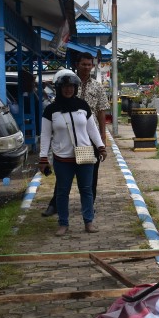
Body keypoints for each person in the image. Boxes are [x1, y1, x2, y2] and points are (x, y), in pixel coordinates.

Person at [38, 72, 106, 236]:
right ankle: (63, 223)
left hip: (85, 155)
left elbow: (92, 129)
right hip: (62, 158)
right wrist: (43, 158)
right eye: (64, 86)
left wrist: (101, 146)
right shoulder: (51, 110)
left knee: (86, 190)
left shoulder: (83, 106)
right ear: (59, 88)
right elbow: (45, 135)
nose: (68, 90)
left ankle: (89, 222)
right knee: (62, 192)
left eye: (71, 86)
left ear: (75, 88)